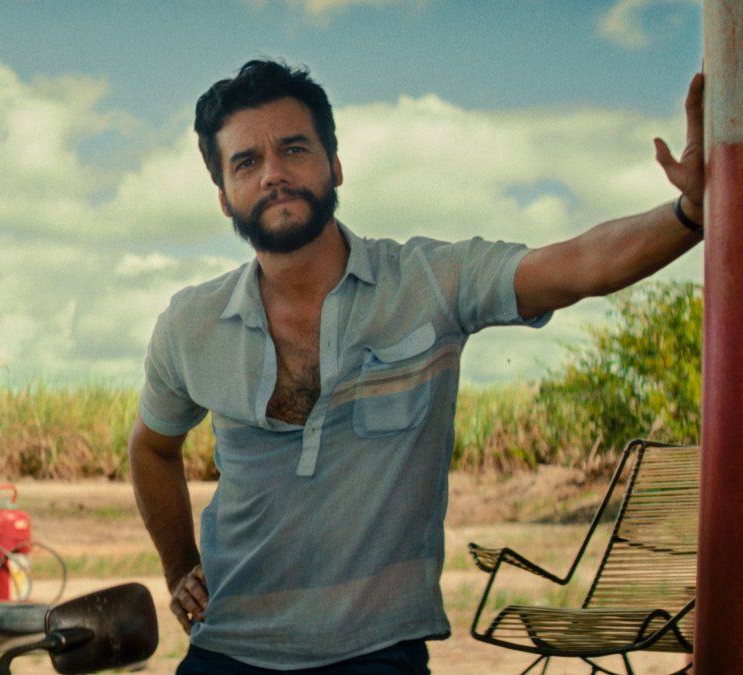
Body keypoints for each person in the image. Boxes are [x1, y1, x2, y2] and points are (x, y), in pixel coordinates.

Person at [128, 60, 704, 674]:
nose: (273, 173)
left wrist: (691, 213)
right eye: (246, 162)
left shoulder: (430, 283)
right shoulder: (191, 323)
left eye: (294, 149)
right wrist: (180, 565)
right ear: (223, 196)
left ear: (335, 164)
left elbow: (581, 265)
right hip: (225, 647)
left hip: (377, 651)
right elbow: (151, 449)